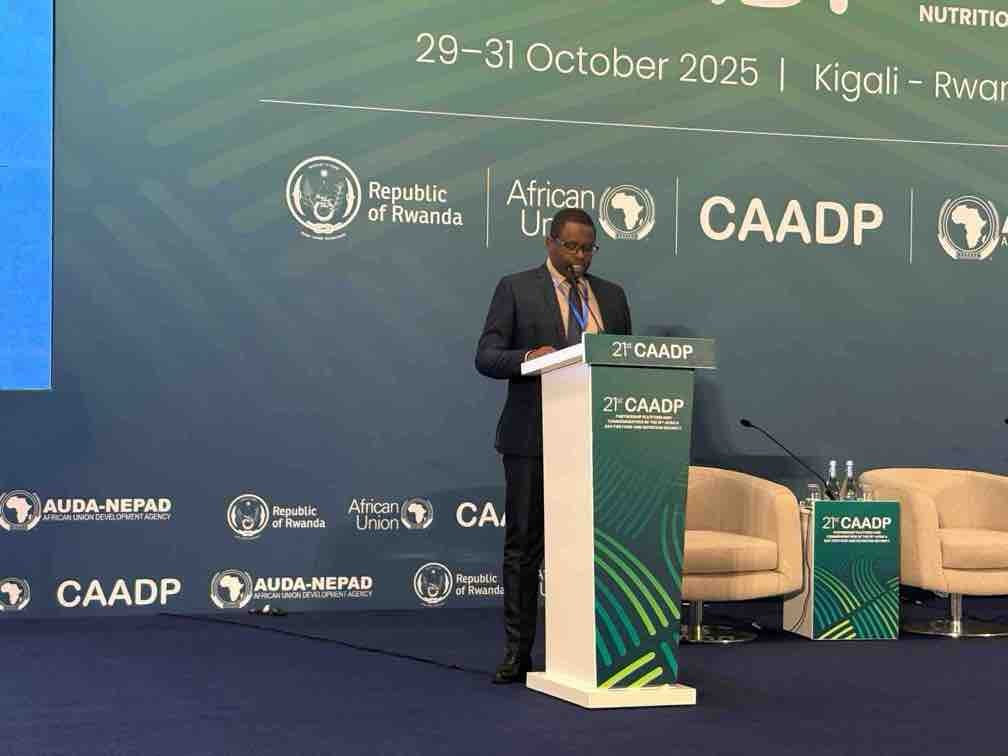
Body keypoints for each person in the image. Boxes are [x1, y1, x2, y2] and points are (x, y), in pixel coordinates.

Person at [475, 207, 632, 684]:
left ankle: (595, 649)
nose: (579, 256)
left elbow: (625, 361)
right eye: (571, 246)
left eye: (588, 248)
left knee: (596, 550)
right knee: (525, 548)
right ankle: (517, 652)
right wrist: (529, 356)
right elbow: (486, 356)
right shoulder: (516, 288)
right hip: (533, 440)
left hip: (598, 441)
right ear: (550, 243)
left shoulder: (611, 297)